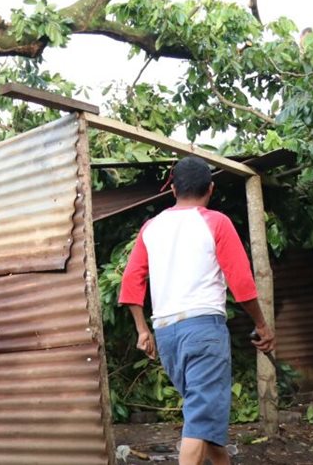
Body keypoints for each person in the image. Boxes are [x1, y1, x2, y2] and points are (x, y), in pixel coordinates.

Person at [118, 156, 276, 465]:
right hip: (203, 331)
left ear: (173, 188)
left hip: (166, 335)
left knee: (204, 417)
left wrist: (141, 329)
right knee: (201, 418)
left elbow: (131, 280)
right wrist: (262, 325)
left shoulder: (152, 227)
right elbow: (241, 282)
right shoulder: (216, 222)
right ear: (211, 189)